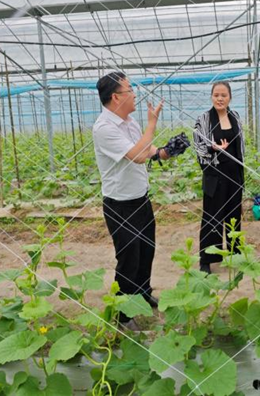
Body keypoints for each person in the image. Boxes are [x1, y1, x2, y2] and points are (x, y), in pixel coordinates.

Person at [93, 71, 170, 329]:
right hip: (120, 205)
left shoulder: (129, 122)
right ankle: (123, 316)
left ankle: (142, 293)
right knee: (129, 258)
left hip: (140, 198)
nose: (134, 94)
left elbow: (146, 149)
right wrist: (152, 125)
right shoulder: (104, 128)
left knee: (147, 249)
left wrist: (163, 152)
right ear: (116, 97)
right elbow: (136, 155)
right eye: (129, 90)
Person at [194, 82, 245, 274]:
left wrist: (241, 173)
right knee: (212, 217)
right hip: (214, 176)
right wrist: (212, 148)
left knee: (233, 216)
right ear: (211, 97)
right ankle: (207, 259)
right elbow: (198, 146)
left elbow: (240, 146)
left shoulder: (235, 117)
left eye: (224, 95)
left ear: (230, 97)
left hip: (234, 175)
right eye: (216, 95)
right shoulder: (204, 119)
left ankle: (235, 254)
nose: (220, 99)